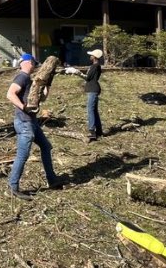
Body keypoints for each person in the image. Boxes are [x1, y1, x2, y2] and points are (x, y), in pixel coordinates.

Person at [7, 53, 65, 198]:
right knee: (23, 154)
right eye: (33, 62)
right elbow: (10, 94)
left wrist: (48, 84)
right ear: (27, 62)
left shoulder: (31, 80)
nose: (35, 65)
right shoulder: (22, 77)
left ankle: (52, 180)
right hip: (24, 123)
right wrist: (23, 107)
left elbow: (42, 98)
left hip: (32, 122)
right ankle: (13, 186)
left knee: (46, 147)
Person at [65, 48, 104, 141]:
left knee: (90, 110)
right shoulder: (96, 66)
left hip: (92, 89)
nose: (90, 56)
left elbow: (87, 78)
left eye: (91, 55)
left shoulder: (95, 66)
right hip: (94, 89)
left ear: (94, 57)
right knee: (94, 110)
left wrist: (76, 72)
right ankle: (99, 131)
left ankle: (92, 132)